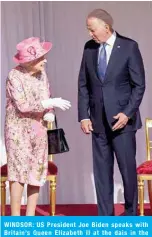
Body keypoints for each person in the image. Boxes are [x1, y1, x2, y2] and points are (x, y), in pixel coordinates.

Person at [78, 9, 145, 216]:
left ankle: (131, 213)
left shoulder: (128, 47)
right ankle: (105, 217)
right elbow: (83, 84)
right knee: (101, 173)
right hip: (98, 122)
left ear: (106, 27)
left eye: (92, 29)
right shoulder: (89, 48)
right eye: (88, 30)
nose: (90, 33)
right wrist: (84, 115)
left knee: (127, 170)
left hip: (122, 123)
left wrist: (127, 113)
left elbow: (139, 85)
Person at [4, 37, 71, 216]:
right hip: (18, 130)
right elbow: (23, 105)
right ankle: (16, 218)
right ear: (29, 61)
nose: (45, 60)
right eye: (41, 58)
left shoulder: (42, 74)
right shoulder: (14, 76)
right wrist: (47, 102)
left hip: (38, 128)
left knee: (37, 169)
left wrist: (49, 110)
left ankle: (31, 216)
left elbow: (46, 94)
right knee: (18, 171)